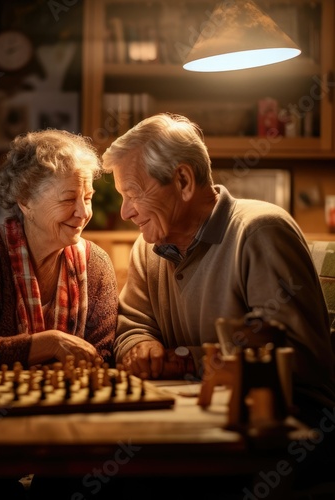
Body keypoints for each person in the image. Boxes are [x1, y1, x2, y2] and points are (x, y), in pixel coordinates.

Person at [101, 112, 335, 495]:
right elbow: (133, 325)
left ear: (183, 181)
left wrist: (183, 359)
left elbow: (297, 358)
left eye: (133, 194)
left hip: (292, 420)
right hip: (194, 412)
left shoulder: (260, 231)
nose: (126, 211)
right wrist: (140, 347)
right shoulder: (149, 247)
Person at [0, 129, 118, 500]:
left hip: (67, 444)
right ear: (25, 200)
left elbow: (103, 361)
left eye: (88, 198)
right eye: (68, 199)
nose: (83, 213)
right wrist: (48, 344)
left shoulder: (96, 264)